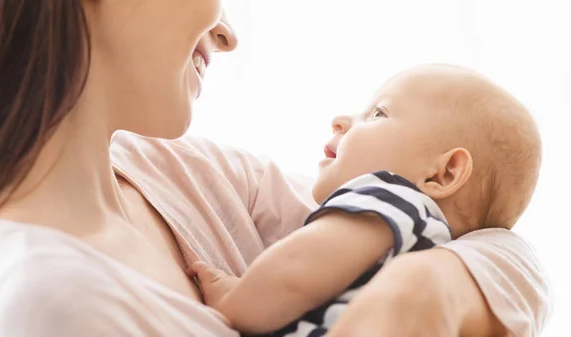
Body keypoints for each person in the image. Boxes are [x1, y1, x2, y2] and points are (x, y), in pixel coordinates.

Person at [0, 1, 549, 337]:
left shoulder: (188, 173)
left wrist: (430, 287)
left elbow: (500, 239)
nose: (227, 34)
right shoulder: (47, 302)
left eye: (378, 113)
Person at [187, 64, 543, 337]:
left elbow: (297, 270)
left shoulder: (391, 199)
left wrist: (234, 298)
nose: (342, 121)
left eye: (378, 114)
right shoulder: (424, 238)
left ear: (442, 174)